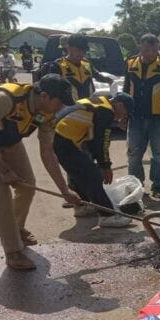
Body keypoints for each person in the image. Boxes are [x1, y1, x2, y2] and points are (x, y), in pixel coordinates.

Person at [0, 74, 81, 270]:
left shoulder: (48, 113)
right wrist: (4, 169)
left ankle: (16, 228)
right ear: (44, 96)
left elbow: (47, 152)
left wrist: (64, 190)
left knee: (27, 185)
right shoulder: (6, 99)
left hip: (8, 137)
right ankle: (13, 252)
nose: (61, 108)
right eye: (59, 102)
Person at [53, 92, 135, 228]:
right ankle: (107, 216)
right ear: (120, 105)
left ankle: (83, 206)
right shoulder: (106, 111)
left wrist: (100, 163)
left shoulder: (99, 102)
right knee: (93, 176)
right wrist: (105, 166)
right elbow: (101, 142)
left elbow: (93, 141)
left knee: (81, 174)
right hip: (64, 142)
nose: (123, 117)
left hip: (62, 139)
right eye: (125, 113)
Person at [125, 33, 160, 200]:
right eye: (146, 49)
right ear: (140, 48)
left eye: (153, 49)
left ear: (158, 49)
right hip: (135, 117)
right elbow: (125, 89)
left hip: (158, 118)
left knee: (158, 154)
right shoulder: (130, 64)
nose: (150, 53)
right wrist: (122, 114)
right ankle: (137, 186)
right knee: (133, 154)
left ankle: (158, 186)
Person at [44, 33, 113, 100]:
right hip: (69, 106)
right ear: (69, 48)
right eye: (78, 50)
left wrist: (110, 81)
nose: (81, 54)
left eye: (84, 51)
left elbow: (97, 76)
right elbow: (52, 92)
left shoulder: (87, 64)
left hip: (88, 104)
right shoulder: (57, 66)